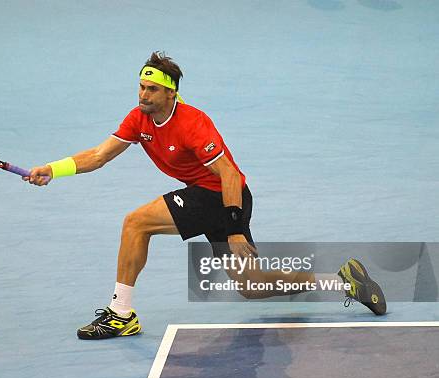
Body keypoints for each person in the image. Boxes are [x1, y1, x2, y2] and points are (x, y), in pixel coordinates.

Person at [25, 51, 386, 340]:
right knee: (252, 286)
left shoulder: (193, 124)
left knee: (136, 223)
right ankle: (343, 281)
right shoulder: (139, 119)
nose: (143, 95)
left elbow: (228, 174)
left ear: (171, 93)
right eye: (140, 87)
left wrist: (234, 228)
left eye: (151, 90)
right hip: (207, 197)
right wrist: (53, 169)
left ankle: (121, 313)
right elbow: (99, 155)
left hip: (223, 198)